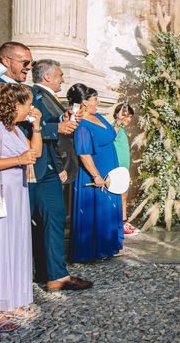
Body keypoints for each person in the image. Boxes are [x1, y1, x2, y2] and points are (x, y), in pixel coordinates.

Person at [30, 60, 91, 291]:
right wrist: (57, 127)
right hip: (34, 168)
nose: (63, 79)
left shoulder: (50, 99)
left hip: (49, 168)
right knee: (36, 222)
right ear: (47, 77)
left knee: (54, 218)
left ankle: (55, 274)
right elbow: (26, 127)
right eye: (60, 75)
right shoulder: (32, 94)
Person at [0, 84, 41, 333]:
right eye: (27, 103)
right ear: (14, 104)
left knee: (13, 247)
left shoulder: (17, 130)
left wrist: (37, 127)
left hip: (18, 195)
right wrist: (18, 160)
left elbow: (35, 152)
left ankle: (8, 302)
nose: (30, 108)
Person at [67, 83, 123, 262]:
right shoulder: (82, 124)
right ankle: (92, 250)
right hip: (94, 173)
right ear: (84, 102)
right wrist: (96, 175)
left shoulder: (97, 116)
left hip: (109, 170)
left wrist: (119, 122)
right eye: (94, 99)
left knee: (107, 208)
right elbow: (84, 153)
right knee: (95, 208)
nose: (98, 102)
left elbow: (110, 136)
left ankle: (107, 246)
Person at [112, 102, 139, 236]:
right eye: (127, 116)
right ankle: (120, 223)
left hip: (123, 169)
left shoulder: (122, 130)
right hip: (118, 169)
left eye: (130, 117)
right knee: (120, 196)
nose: (128, 120)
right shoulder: (115, 128)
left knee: (124, 196)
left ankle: (123, 221)